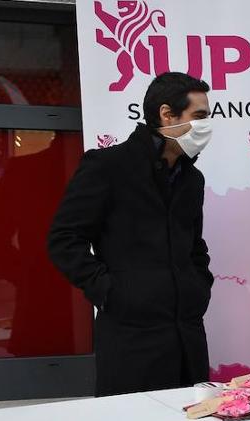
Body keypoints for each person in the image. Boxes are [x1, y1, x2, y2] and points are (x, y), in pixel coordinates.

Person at [48, 72, 214, 396]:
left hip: (187, 341)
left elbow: (194, 245)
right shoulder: (108, 166)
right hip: (131, 343)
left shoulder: (192, 179)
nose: (206, 126)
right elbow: (64, 239)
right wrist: (111, 292)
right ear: (167, 114)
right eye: (199, 116)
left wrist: (198, 286)